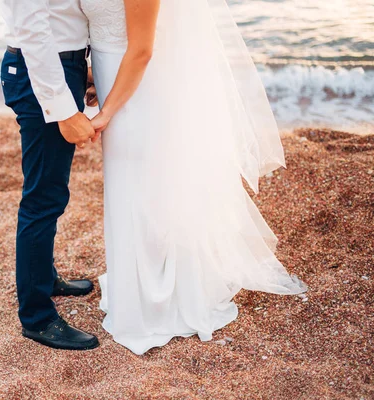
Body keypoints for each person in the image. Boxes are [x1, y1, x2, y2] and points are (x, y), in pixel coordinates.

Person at [84, 0, 307, 355]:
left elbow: (142, 50)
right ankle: (137, 292)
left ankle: (160, 301)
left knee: (145, 187)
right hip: (117, 83)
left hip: (138, 92)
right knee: (130, 187)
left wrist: (106, 112)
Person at [0, 0, 100, 350]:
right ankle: (37, 317)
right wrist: (61, 106)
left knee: (51, 190)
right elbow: (31, 26)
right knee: (43, 198)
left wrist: (81, 71)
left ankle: (44, 278)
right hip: (40, 73)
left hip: (58, 68)